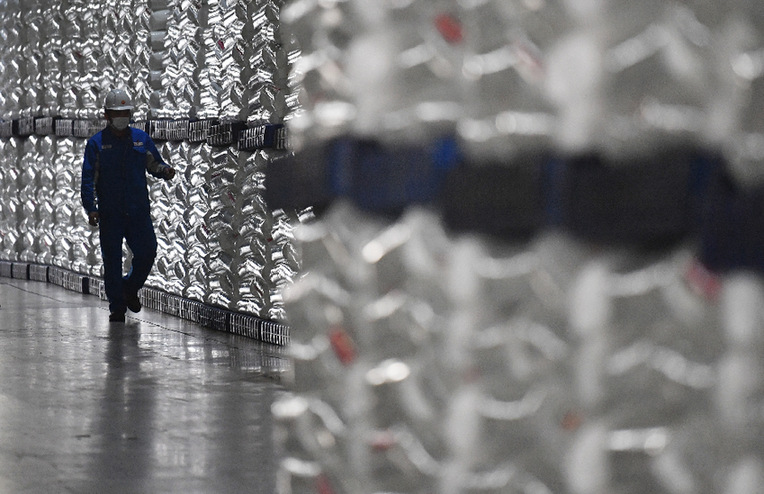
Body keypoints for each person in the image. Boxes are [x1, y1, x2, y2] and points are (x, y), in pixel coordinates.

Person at [81, 88, 176, 322]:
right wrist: (91, 208)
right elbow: (89, 178)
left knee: (147, 252)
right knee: (112, 260)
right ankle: (117, 307)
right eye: (117, 113)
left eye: (125, 112)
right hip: (111, 213)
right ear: (107, 115)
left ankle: (130, 287)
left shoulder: (140, 139)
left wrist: (165, 170)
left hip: (137, 211)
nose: (121, 117)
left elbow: (154, 163)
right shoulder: (97, 144)